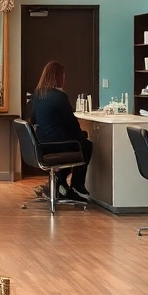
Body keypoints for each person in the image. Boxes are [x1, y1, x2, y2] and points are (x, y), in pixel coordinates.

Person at [27, 61, 91, 200]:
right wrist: (81, 135)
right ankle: (76, 185)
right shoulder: (60, 97)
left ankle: (59, 182)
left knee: (78, 143)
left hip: (43, 144)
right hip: (58, 144)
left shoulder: (38, 95)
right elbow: (71, 123)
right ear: (58, 77)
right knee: (86, 145)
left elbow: (33, 119)